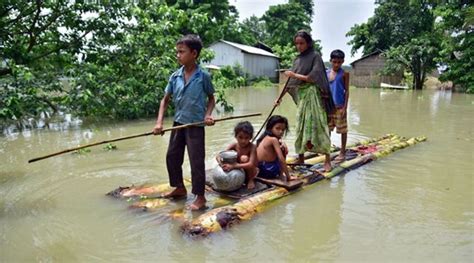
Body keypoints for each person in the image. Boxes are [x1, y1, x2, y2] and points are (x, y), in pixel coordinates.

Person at [152, 34, 215, 210]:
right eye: (177, 52)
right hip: (179, 123)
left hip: (195, 125)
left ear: (194, 53)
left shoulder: (203, 77)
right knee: (172, 156)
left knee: (196, 161)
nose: (178, 55)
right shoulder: (175, 76)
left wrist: (208, 115)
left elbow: (211, 99)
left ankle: (200, 197)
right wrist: (159, 123)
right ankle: (179, 188)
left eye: (182, 52)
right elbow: (165, 100)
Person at [278, 30, 334, 172]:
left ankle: (327, 159)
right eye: (296, 43)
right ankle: (301, 157)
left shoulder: (315, 57)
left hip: (313, 95)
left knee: (319, 125)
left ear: (308, 43)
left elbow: (312, 77)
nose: (299, 46)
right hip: (302, 97)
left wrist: (293, 74)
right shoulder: (297, 59)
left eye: (301, 43)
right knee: (300, 126)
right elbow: (291, 82)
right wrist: (279, 98)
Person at [216, 121, 258, 189]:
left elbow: (251, 164)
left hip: (251, 172)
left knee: (244, 158)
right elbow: (219, 155)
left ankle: (251, 180)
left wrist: (234, 166)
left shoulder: (252, 147)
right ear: (236, 136)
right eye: (240, 137)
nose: (243, 141)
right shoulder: (234, 145)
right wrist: (221, 164)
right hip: (239, 170)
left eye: (246, 138)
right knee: (227, 158)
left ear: (250, 138)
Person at [256, 115, 297, 181]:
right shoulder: (273, 140)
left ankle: (281, 173)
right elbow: (281, 159)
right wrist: (288, 177)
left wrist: (282, 143)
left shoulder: (264, 137)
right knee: (283, 150)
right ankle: (281, 174)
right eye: (277, 128)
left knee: (282, 147)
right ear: (270, 128)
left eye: (283, 130)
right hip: (268, 171)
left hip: (260, 169)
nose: (281, 132)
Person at [327, 49, 349, 161]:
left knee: (343, 130)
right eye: (334, 62)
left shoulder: (344, 74)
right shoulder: (326, 73)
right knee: (327, 131)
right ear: (331, 61)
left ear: (342, 62)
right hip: (328, 108)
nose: (336, 64)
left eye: (339, 62)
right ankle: (327, 152)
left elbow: (347, 91)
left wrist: (345, 107)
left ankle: (342, 152)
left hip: (340, 107)